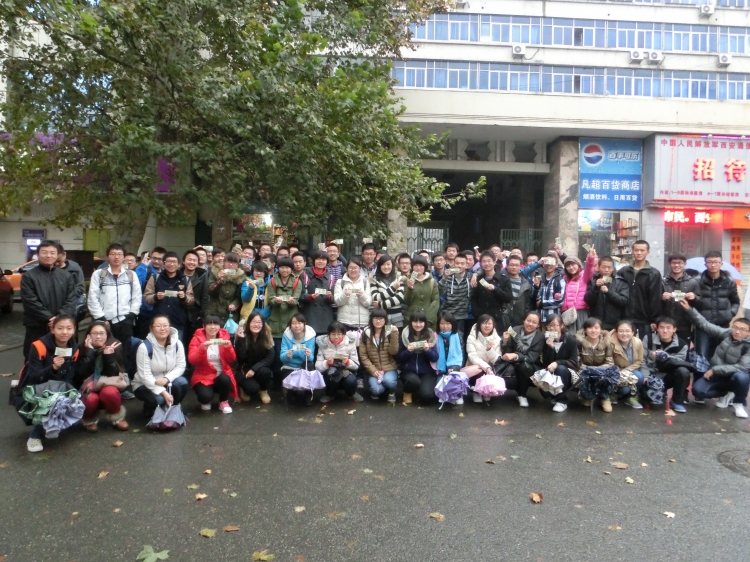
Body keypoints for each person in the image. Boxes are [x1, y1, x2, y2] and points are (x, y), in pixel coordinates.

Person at [16, 315, 81, 452]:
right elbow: (33, 376)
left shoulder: (74, 349)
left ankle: (53, 424)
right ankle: (34, 435)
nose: (64, 332)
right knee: (52, 398)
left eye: (69, 328)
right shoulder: (39, 346)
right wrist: (53, 368)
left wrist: (67, 394)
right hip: (33, 388)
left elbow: (69, 377)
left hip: (59, 387)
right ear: (52, 329)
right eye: (60, 328)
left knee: (71, 399)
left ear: (74, 330)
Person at [681, 300, 750, 418]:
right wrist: (689, 309)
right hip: (718, 376)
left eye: (742, 329)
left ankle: (739, 403)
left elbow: (742, 367)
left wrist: (714, 370)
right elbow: (705, 325)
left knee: (742, 377)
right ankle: (726, 393)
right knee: (698, 391)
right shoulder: (726, 334)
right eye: (735, 327)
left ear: (749, 332)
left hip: (733, 376)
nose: (737, 331)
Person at [20, 240, 78, 359]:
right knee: (35, 357)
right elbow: (30, 302)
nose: (48, 255)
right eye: (44, 252)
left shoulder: (66, 276)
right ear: (37, 255)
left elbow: (71, 299)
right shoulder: (29, 276)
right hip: (37, 326)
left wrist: (59, 319)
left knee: (63, 358)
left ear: (57, 255)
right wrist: (50, 318)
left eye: (52, 253)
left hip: (62, 328)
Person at [132, 315, 189, 417]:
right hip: (145, 383)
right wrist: (163, 392)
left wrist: (167, 378)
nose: (162, 329)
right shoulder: (144, 347)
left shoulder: (177, 344)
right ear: (151, 328)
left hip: (166, 380)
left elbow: (181, 366)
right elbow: (145, 376)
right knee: (159, 399)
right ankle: (150, 409)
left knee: (182, 383)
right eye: (158, 326)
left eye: (165, 325)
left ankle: (173, 409)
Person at [78, 322, 129, 431]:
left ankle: (117, 418)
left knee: (110, 392)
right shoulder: (81, 348)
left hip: (107, 384)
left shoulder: (114, 346)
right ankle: (90, 420)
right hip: (87, 388)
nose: (98, 336)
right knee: (90, 399)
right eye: (94, 333)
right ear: (88, 335)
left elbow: (114, 374)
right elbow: (81, 374)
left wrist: (108, 355)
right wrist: (89, 352)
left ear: (107, 335)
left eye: (102, 333)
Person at [693, 251, 740, 370]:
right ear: (705, 264)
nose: (713, 265)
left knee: (722, 356)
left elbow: (735, 301)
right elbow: (692, 303)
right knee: (702, 357)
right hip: (703, 326)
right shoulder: (697, 281)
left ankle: (720, 381)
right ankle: (700, 380)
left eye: (716, 262)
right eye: (710, 262)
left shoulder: (729, 281)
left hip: (723, 325)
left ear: (721, 264)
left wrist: (730, 314)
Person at [641, 316, 692, 413]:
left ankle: (676, 401)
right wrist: (645, 375)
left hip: (668, 376)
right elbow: (642, 359)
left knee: (683, 371)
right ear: (657, 328)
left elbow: (679, 362)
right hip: (651, 375)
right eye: (662, 327)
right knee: (648, 399)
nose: (665, 331)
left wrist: (664, 356)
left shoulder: (682, 344)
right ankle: (658, 391)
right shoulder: (648, 339)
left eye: (668, 328)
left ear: (674, 329)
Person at [187, 315, 238, 413]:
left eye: (215, 324)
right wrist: (202, 349)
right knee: (205, 397)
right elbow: (192, 360)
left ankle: (223, 401)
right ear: (204, 326)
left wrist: (228, 348)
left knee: (225, 378)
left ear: (219, 326)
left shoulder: (224, 338)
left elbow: (231, 359)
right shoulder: (196, 339)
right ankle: (207, 400)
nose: (213, 327)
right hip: (203, 375)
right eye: (209, 324)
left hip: (221, 374)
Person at [143, 252, 195, 340]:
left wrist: (184, 297)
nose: (171, 264)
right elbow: (146, 297)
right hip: (159, 321)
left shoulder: (185, 279)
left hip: (177, 320)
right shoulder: (155, 278)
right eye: (168, 261)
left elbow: (191, 300)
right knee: (157, 345)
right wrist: (155, 297)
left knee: (176, 345)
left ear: (179, 264)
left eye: (174, 262)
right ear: (163, 263)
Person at [618, 240, 663, 340]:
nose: (639, 253)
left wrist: (655, 320)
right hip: (625, 318)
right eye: (636, 250)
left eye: (642, 250)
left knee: (644, 347)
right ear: (632, 251)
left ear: (648, 252)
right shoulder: (624, 271)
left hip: (645, 320)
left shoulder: (654, 273)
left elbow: (655, 298)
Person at [501, 311, 544, 408]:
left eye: (534, 322)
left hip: (530, 366)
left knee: (524, 367)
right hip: (512, 364)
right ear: (524, 321)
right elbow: (507, 352)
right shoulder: (514, 330)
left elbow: (531, 357)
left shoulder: (540, 337)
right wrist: (505, 342)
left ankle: (522, 395)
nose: (530, 324)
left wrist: (516, 356)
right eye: (528, 320)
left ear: (538, 325)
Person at [266, 257, 303, 367]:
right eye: (282, 267)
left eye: (287, 267)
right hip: (276, 321)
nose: (285, 270)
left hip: (292, 319)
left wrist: (292, 302)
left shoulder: (297, 282)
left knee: (292, 352)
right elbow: (271, 300)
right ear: (278, 268)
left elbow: (296, 299)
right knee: (277, 354)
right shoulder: (272, 282)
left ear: (291, 269)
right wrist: (276, 301)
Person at [537, 314, 578, 412]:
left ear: (561, 325)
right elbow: (546, 363)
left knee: (560, 368)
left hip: (568, 373)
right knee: (545, 392)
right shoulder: (545, 340)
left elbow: (573, 362)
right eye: (549, 326)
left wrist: (557, 363)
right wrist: (550, 348)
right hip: (551, 372)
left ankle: (562, 401)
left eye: (555, 325)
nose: (552, 328)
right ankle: (555, 396)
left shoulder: (570, 340)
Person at [358, 309, 400, 403]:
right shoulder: (365, 333)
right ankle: (380, 387)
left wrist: (394, 335)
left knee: (389, 381)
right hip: (374, 369)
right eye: (375, 318)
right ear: (371, 320)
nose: (378, 321)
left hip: (389, 368)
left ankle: (391, 391)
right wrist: (373, 370)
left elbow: (394, 352)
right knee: (377, 391)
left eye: (381, 319)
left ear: (385, 320)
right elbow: (363, 356)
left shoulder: (390, 331)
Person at [397, 311, 439, 404]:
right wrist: (408, 351)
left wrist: (427, 350)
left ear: (425, 323)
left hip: (426, 372)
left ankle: (420, 389)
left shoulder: (430, 335)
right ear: (411, 322)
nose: (418, 324)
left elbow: (435, 358)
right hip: (408, 371)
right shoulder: (405, 335)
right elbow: (399, 358)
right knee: (413, 381)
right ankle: (407, 391)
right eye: (415, 321)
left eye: (421, 322)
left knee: (426, 396)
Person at [316, 321, 362, 403]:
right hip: (330, 372)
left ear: (344, 334)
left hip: (346, 371)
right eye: (333, 334)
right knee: (331, 378)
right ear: (328, 334)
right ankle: (330, 394)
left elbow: (356, 365)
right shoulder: (322, 344)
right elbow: (318, 367)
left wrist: (347, 362)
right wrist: (327, 363)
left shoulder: (350, 343)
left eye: (339, 334)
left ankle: (351, 393)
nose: (336, 337)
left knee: (351, 381)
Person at [234, 312, 275, 403]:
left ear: (263, 324)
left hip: (259, 368)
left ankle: (263, 390)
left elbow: (270, 356)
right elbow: (240, 358)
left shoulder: (267, 336)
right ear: (248, 323)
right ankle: (243, 388)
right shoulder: (242, 335)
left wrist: (254, 369)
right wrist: (240, 340)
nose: (256, 325)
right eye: (253, 322)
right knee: (252, 389)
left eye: (259, 322)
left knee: (266, 371)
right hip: (244, 368)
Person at [576, 317, 614, 412]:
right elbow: (577, 361)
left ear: (601, 329)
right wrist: (589, 370)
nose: (593, 331)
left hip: (602, 370)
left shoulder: (607, 343)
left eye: (596, 328)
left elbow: (609, 362)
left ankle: (605, 398)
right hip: (585, 369)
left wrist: (597, 370)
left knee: (605, 377)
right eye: (590, 328)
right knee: (585, 376)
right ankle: (587, 396)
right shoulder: (578, 342)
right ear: (585, 330)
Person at [661, 253, 700, 343]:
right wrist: (662, 298)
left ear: (685, 264)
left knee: (683, 348)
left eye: (680, 263)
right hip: (666, 324)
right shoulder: (662, 281)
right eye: (674, 263)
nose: (677, 265)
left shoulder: (692, 282)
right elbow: (654, 303)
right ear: (669, 264)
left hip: (685, 324)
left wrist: (694, 298)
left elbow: (700, 304)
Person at [280, 314, 317, 405]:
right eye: (294, 323)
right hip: (289, 366)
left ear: (304, 324)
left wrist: (307, 355)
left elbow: (311, 358)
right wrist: (287, 355)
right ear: (290, 325)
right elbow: (282, 358)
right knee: (293, 398)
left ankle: (308, 395)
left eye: (299, 323)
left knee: (310, 366)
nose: (297, 326)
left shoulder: (310, 336)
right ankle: (291, 392)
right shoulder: (286, 336)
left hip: (304, 366)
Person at [471, 250, 512, 333]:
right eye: (484, 261)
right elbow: (473, 298)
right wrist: (476, 313)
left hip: (498, 318)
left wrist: (495, 289)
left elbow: (508, 298)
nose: (487, 264)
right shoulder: (478, 279)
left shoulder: (504, 279)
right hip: (482, 317)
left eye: (489, 261)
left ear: (494, 262)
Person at [584, 256, 629, 330]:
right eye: (604, 267)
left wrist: (608, 292)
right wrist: (596, 287)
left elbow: (623, 301)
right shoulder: (593, 282)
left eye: (609, 267)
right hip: (596, 324)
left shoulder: (621, 282)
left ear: (613, 268)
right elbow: (588, 301)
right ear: (598, 267)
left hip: (614, 324)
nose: (606, 270)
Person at [464, 314, 502, 403]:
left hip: (491, 368)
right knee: (479, 369)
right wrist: (486, 367)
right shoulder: (472, 337)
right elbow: (472, 356)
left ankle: (487, 391)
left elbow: (497, 359)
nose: (487, 326)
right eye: (484, 323)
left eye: (489, 323)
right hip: (475, 367)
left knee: (491, 369)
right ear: (479, 325)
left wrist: (489, 350)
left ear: (493, 325)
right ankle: (477, 391)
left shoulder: (496, 339)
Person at [609, 320, 645, 409]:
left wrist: (626, 371)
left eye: (627, 331)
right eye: (621, 331)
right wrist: (619, 373)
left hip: (630, 371)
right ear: (616, 332)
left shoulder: (638, 342)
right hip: (615, 373)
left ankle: (631, 397)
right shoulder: (610, 343)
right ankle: (614, 393)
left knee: (639, 376)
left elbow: (639, 361)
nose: (624, 334)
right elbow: (608, 362)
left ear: (632, 332)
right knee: (625, 390)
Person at [560, 248, 597, 331]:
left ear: (578, 265)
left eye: (573, 264)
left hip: (580, 312)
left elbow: (589, 269)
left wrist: (590, 258)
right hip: (567, 313)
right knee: (568, 335)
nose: (571, 267)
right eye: (568, 266)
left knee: (580, 334)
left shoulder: (584, 276)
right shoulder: (564, 278)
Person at [300, 251, 335, 334]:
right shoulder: (305, 275)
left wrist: (329, 297)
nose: (321, 261)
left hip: (325, 315)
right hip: (310, 313)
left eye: (323, 259)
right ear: (313, 261)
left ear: (327, 262)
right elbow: (300, 295)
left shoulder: (330, 277)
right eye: (318, 259)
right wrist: (310, 297)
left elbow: (333, 298)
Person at [134, 246, 166, 338]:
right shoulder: (144, 269)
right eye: (154, 258)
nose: (156, 261)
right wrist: (142, 266)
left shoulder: (165, 271)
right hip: (146, 310)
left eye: (160, 259)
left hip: (161, 310)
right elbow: (137, 284)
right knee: (143, 336)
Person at [181, 249, 209, 352]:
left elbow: (205, 296)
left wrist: (201, 314)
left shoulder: (202, 275)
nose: (192, 262)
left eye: (194, 260)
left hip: (195, 314)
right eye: (189, 260)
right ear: (183, 261)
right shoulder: (177, 274)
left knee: (193, 342)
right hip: (179, 312)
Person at [438, 253, 472, 335]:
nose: (459, 266)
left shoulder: (471, 277)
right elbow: (439, 291)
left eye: (462, 263)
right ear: (453, 264)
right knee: (445, 337)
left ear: (466, 265)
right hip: (447, 314)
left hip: (461, 314)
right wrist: (444, 278)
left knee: (459, 338)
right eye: (457, 263)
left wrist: (476, 275)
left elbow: (481, 272)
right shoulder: (449, 276)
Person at [206, 252, 244, 325]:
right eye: (228, 262)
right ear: (223, 262)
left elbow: (239, 297)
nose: (231, 265)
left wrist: (234, 304)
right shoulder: (215, 272)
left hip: (230, 314)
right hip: (214, 311)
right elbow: (210, 292)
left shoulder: (240, 277)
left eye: (234, 263)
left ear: (237, 265)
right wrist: (219, 280)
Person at [334, 258, 372, 331]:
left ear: (359, 269)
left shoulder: (365, 282)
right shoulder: (340, 282)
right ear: (347, 268)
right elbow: (337, 302)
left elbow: (368, 303)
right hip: (344, 321)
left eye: (355, 268)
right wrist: (345, 295)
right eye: (351, 268)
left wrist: (362, 296)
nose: (353, 270)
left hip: (361, 322)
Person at [403, 256, 440, 330]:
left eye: (421, 265)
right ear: (412, 267)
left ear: (425, 266)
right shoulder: (407, 280)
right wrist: (410, 289)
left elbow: (436, 301)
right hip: (412, 319)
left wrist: (428, 319)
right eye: (416, 265)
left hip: (429, 320)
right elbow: (406, 301)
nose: (418, 268)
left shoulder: (432, 281)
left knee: (428, 337)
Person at [371, 255, 406, 328]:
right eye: (383, 264)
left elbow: (399, 298)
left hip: (396, 316)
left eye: (388, 264)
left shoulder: (399, 278)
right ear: (379, 266)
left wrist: (381, 304)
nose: (386, 267)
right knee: (385, 334)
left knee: (395, 334)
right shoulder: (374, 279)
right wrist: (393, 288)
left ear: (392, 265)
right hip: (381, 317)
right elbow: (376, 297)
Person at [501, 255, 533, 330]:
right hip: (503, 317)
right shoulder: (501, 280)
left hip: (519, 319)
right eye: (511, 265)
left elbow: (527, 305)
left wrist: (525, 318)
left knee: (516, 336)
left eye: (516, 265)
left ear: (520, 267)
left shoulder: (526, 284)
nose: (514, 267)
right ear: (507, 266)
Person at [534, 253, 566, 323]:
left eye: (551, 262)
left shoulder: (559, 280)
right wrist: (536, 288)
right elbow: (534, 298)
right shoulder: (539, 277)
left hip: (553, 320)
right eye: (547, 262)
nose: (549, 265)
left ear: (556, 265)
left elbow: (560, 301)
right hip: (538, 319)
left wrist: (542, 303)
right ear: (543, 264)